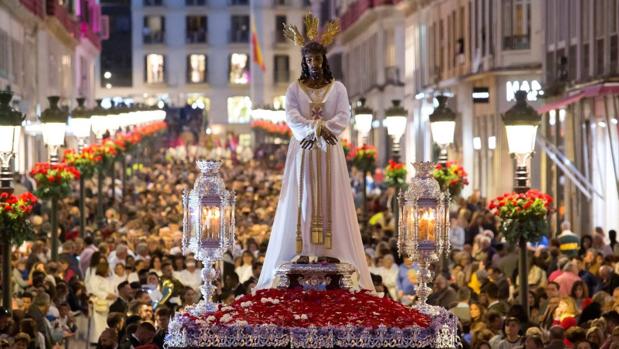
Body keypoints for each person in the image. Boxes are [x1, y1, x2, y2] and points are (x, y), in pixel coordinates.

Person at [257, 15, 372, 290]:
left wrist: (322, 130)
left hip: (328, 149)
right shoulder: (294, 89)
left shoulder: (338, 88)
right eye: (309, 60)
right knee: (304, 195)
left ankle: (330, 248)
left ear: (324, 60)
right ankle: (306, 246)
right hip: (305, 149)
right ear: (304, 62)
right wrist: (314, 130)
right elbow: (291, 116)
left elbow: (344, 114)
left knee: (330, 195)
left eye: (318, 59)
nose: (314, 64)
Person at [87, 260, 117, 344]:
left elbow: (114, 289)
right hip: (99, 303)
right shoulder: (95, 278)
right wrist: (106, 295)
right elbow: (94, 290)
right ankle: (97, 339)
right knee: (97, 323)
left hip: (109, 304)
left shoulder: (109, 279)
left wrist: (114, 295)